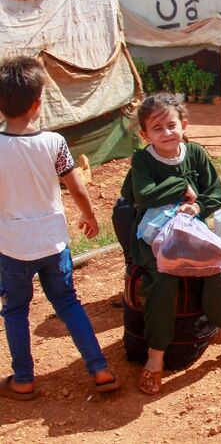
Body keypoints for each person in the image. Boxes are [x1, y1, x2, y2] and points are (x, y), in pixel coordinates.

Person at [0, 57, 120, 400]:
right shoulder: (54, 142)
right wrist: (89, 215)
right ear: (37, 105)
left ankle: (23, 379)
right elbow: (76, 186)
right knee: (68, 303)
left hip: (12, 246)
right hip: (53, 243)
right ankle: (99, 368)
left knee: (15, 310)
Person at [128, 94, 221, 395]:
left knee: (215, 270)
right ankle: (156, 355)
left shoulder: (195, 154)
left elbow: (214, 194)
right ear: (144, 134)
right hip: (150, 237)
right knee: (163, 278)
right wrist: (182, 186)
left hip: (190, 231)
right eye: (157, 128)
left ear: (184, 125)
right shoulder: (143, 160)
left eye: (171, 125)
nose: (166, 133)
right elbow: (144, 196)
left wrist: (197, 207)